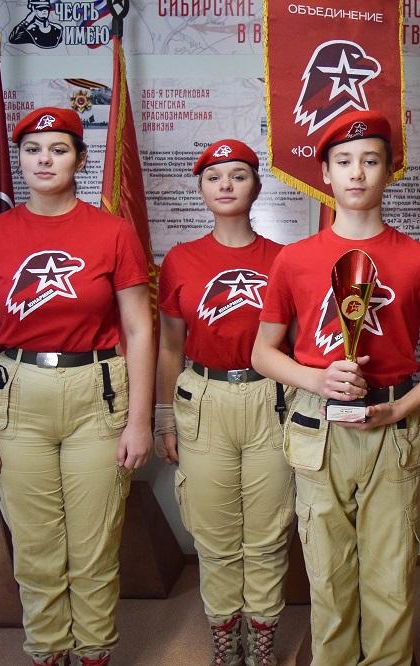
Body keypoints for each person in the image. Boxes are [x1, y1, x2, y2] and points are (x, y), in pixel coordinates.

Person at [251, 110, 420, 665]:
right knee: (327, 576)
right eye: (344, 162)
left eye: (370, 161)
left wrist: (406, 406)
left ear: (389, 170)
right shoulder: (294, 259)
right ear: (325, 173)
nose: (357, 173)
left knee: (391, 577)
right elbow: (262, 353)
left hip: (391, 426)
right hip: (317, 425)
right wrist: (316, 377)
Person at [0, 107, 154, 666]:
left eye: (59, 149)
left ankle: (93, 653)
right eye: (33, 150)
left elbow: (140, 328)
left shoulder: (112, 232)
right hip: (17, 397)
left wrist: (140, 420)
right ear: (20, 160)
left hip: (98, 394)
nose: (45, 160)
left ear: (81, 159)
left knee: (94, 546)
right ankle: (47, 652)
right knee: (37, 549)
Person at [154, 139, 294, 666]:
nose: (226, 185)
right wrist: (164, 416)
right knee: (213, 532)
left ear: (256, 186)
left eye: (238, 175)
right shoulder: (181, 260)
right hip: (204, 397)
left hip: (268, 398)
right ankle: (224, 638)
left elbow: (297, 344)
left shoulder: (283, 259)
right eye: (214, 177)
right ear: (201, 189)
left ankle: (261, 640)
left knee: (267, 530)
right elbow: (170, 344)